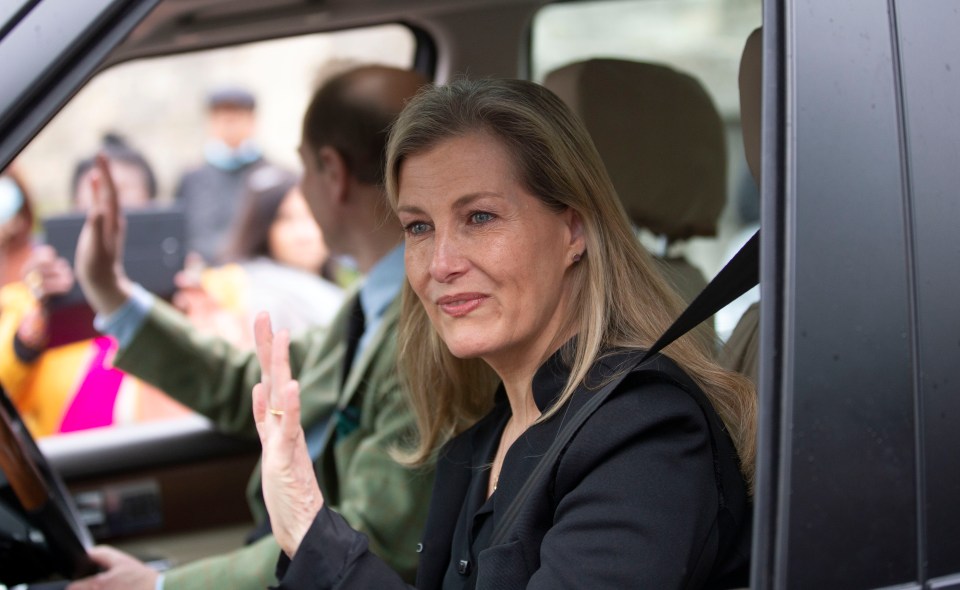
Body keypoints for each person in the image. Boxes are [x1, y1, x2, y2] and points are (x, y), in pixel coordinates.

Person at [253, 78, 757, 588]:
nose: (441, 264)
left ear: (573, 231)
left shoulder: (644, 434)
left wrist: (314, 536)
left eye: (480, 217)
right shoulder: (483, 439)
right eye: (419, 227)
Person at [67, 65, 434, 590]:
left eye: (302, 166)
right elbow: (256, 388)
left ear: (332, 171)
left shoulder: (426, 329)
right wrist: (111, 291)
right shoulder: (373, 300)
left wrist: (160, 586)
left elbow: (370, 542)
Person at [0, 136, 190, 437]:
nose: (106, 206)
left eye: (120, 193)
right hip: (66, 464)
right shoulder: (27, 298)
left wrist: (191, 312)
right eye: (93, 195)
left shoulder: (198, 289)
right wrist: (35, 320)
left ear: (152, 207)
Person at [176, 166, 345, 348]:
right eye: (286, 219)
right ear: (264, 228)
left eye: (312, 215)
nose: (303, 233)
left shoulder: (344, 292)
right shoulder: (241, 289)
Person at [175, 86, 270, 263]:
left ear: (251, 121)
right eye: (222, 118)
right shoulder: (192, 177)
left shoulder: (272, 176)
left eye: (236, 118)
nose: (229, 125)